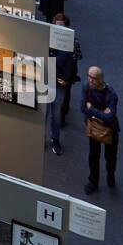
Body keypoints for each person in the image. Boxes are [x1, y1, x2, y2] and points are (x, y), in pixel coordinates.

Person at [81, 66, 119, 194]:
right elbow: (82, 108)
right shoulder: (86, 88)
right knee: (93, 156)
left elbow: (109, 117)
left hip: (110, 130)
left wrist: (92, 110)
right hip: (93, 128)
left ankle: (110, 174)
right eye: (89, 77)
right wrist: (101, 113)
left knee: (110, 157)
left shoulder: (111, 94)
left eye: (94, 78)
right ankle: (93, 181)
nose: (91, 81)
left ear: (101, 79)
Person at [48, 13, 79, 156]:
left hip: (60, 84)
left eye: (61, 26)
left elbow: (73, 64)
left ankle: (55, 140)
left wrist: (66, 79)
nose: (58, 28)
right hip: (46, 80)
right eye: (56, 25)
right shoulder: (46, 39)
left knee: (56, 114)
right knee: (43, 113)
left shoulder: (71, 44)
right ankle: (39, 138)